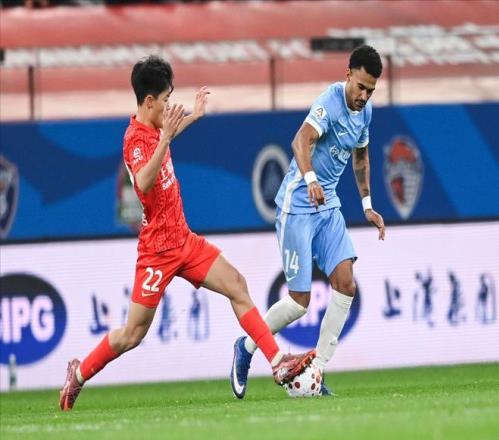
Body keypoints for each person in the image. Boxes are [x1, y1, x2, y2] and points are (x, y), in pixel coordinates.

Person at [59, 55, 315, 411]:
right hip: (156, 252)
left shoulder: (156, 128)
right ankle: (78, 374)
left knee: (237, 285)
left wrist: (193, 116)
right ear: (149, 101)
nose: (169, 106)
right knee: (133, 334)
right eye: (166, 100)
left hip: (184, 240)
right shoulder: (134, 138)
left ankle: (277, 363)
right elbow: (143, 182)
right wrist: (165, 138)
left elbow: (167, 134)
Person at [231, 45, 386, 398]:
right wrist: (311, 179)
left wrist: (367, 204)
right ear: (348, 75)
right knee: (299, 302)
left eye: (371, 90)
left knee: (346, 283)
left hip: (328, 205)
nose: (364, 96)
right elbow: (300, 141)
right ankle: (247, 345)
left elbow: (361, 157)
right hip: (298, 205)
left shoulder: (365, 112)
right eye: (361, 87)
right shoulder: (329, 102)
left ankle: (317, 370)